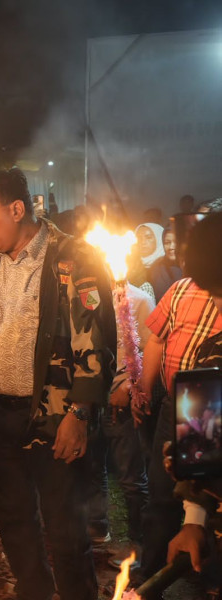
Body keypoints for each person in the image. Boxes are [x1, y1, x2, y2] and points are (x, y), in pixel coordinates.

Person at [0, 168, 116, 600]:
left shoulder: (74, 261)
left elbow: (96, 344)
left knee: (65, 529)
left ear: (17, 209)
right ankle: (33, 591)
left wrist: (78, 415)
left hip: (53, 418)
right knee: (15, 521)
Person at [139, 212, 222, 580]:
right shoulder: (212, 359)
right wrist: (194, 519)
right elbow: (201, 450)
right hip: (175, 411)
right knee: (160, 497)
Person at [87, 281, 153, 566]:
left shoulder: (139, 299)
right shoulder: (89, 295)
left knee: (131, 478)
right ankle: (97, 527)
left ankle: (141, 546)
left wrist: (128, 387)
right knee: (91, 466)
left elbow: (150, 351)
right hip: (92, 399)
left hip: (122, 403)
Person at [148, 228, 182, 301]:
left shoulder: (192, 268)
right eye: (167, 243)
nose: (171, 247)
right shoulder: (156, 268)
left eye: (176, 242)